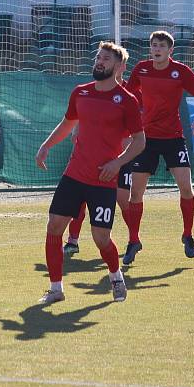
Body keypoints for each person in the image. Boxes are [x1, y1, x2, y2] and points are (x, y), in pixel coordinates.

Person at [35, 42, 145, 304]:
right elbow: (67, 123)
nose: (99, 61)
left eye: (106, 59)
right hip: (74, 174)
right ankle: (56, 289)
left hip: (104, 180)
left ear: (118, 66)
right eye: (98, 57)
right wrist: (46, 146)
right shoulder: (80, 92)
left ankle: (116, 277)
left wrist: (117, 163)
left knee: (101, 238)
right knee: (54, 227)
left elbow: (140, 142)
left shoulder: (127, 100)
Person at [123, 30, 194, 265]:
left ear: (170, 50)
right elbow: (129, 96)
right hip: (145, 140)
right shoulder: (141, 68)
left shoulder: (180, 71)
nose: (157, 49)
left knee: (186, 188)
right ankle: (133, 240)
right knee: (136, 193)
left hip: (173, 138)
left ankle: (188, 235)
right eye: (154, 45)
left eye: (162, 45)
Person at [63, 69, 133, 257]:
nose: (105, 64)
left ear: (122, 66)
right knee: (79, 200)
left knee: (124, 200)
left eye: (110, 60)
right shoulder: (90, 90)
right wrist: (77, 128)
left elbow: (137, 131)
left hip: (119, 158)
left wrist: (124, 153)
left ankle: (133, 238)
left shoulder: (130, 93)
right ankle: (73, 240)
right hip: (89, 156)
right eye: (101, 59)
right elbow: (81, 117)